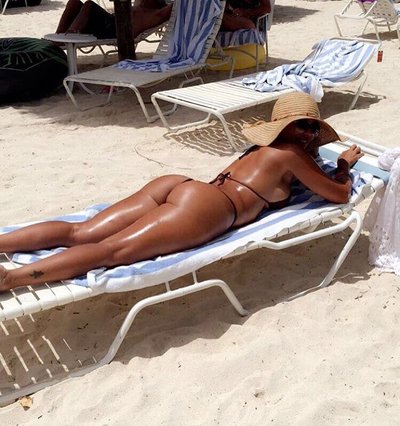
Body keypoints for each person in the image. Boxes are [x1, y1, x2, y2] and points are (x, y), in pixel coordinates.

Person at [0, 92, 363, 292]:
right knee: (109, 251)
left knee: (81, 231)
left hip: (180, 185)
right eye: (302, 126)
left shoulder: (262, 150)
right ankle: (11, 280)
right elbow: (339, 194)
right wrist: (344, 164)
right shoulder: (293, 156)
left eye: (312, 129)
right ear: (283, 128)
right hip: (207, 208)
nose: (308, 134)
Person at [56, 0, 173, 40]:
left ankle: (70, 36)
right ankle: (59, 38)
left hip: (114, 31)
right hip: (109, 22)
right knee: (74, 2)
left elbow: (176, 5)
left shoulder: (156, 14)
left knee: (89, 5)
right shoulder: (141, 6)